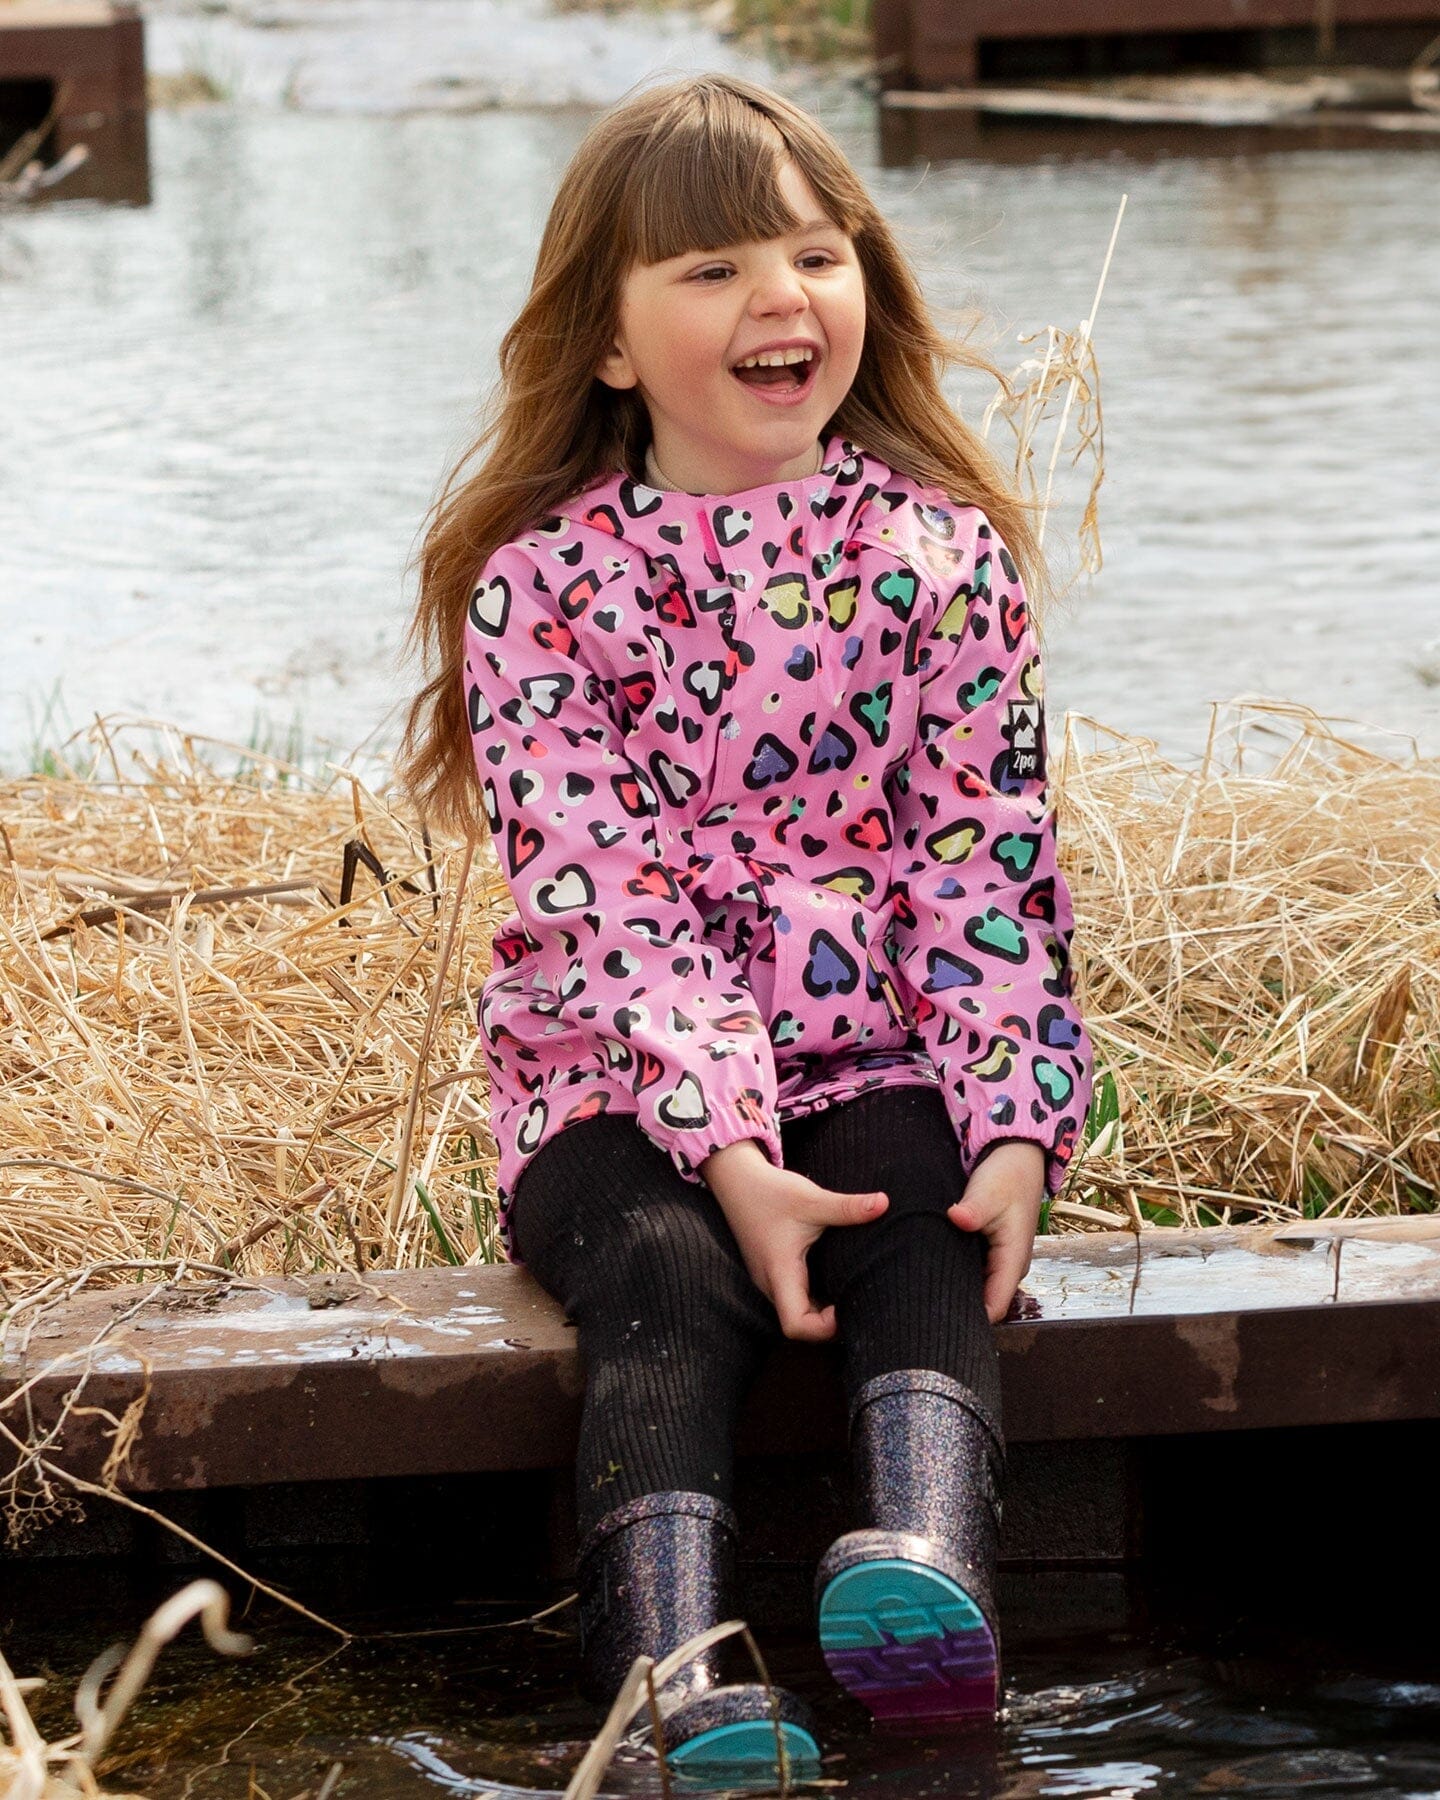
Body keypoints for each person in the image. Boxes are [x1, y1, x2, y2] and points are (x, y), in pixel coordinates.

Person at [401, 74, 1094, 1780]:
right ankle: (669, 1682)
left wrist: (1014, 1122)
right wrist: (724, 1147)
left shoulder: (939, 560)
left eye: (812, 250)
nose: (783, 298)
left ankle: (927, 1581)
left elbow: (983, 863)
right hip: (619, 1086)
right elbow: (607, 909)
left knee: (928, 1207)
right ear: (614, 343)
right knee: (664, 1279)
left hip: (875, 1051)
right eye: (713, 269)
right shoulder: (544, 585)